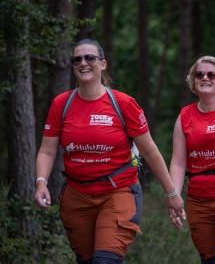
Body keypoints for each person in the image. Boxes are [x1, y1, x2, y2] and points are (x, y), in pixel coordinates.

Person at [34, 39, 184, 264]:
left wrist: (172, 194)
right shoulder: (61, 104)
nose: (83, 63)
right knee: (86, 260)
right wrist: (41, 182)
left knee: (106, 260)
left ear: (103, 64)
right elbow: (47, 150)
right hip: (77, 195)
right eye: (77, 59)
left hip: (118, 192)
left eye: (89, 58)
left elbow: (150, 151)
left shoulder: (123, 103)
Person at [169, 56, 215, 264]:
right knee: (209, 260)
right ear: (193, 80)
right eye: (199, 74)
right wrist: (174, 197)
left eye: (211, 74)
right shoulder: (185, 116)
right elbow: (179, 163)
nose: (205, 78)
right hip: (198, 200)